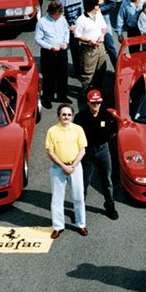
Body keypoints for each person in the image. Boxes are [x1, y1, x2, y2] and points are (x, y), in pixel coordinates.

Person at [45, 102, 88, 238]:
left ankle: (81, 224)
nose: (66, 117)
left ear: (72, 116)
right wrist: (64, 167)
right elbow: (51, 152)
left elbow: (82, 150)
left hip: (75, 167)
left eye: (69, 114)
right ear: (59, 116)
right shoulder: (52, 131)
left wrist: (73, 166)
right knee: (57, 199)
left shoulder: (78, 129)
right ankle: (58, 226)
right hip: (58, 168)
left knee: (78, 197)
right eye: (64, 114)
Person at [76, 89, 119, 220]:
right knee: (84, 181)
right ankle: (80, 208)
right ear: (88, 102)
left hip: (103, 150)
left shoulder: (107, 115)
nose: (96, 105)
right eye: (93, 103)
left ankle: (110, 205)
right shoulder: (80, 117)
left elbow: (113, 132)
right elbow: (75, 135)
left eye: (98, 102)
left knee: (107, 180)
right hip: (87, 151)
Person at [35, 0, 71, 108]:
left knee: (63, 75)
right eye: (57, 14)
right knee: (48, 76)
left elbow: (66, 32)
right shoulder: (42, 22)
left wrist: (65, 42)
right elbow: (38, 39)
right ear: (51, 13)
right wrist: (50, 47)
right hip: (48, 53)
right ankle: (47, 98)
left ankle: (62, 95)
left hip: (61, 51)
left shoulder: (62, 19)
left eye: (60, 13)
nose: (59, 15)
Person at [73, 0, 110, 93]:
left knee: (101, 69)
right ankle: (86, 92)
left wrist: (102, 35)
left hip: (100, 47)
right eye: (98, 5)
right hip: (88, 49)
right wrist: (89, 41)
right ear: (94, 6)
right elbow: (77, 35)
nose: (99, 6)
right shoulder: (81, 20)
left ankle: (97, 89)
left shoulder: (98, 14)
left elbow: (104, 28)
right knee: (88, 73)